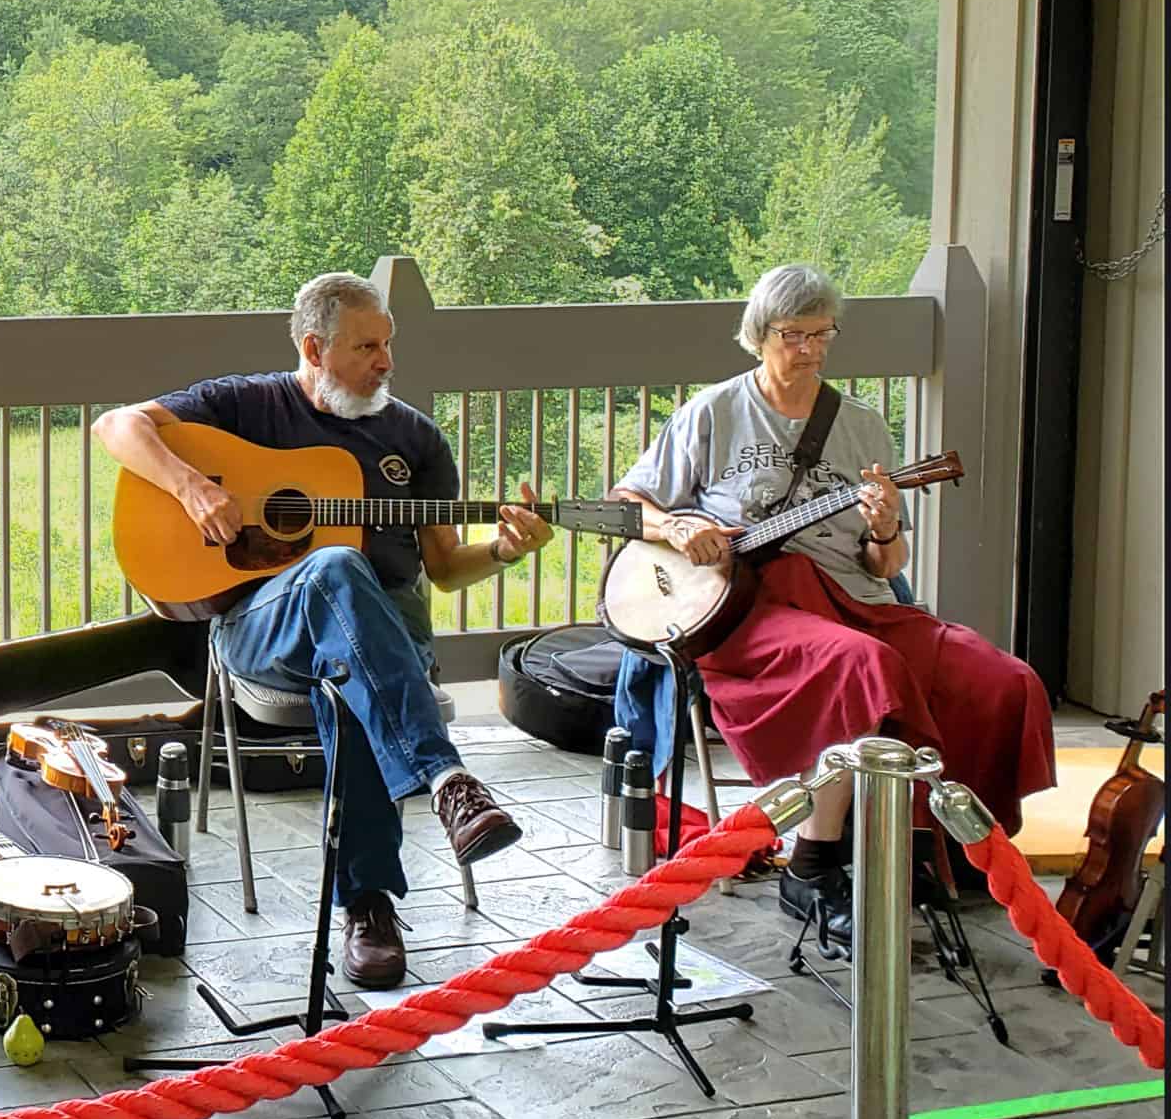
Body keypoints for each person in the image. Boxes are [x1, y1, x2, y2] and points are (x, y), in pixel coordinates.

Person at [93, 272, 550, 989]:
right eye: (367, 346)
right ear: (314, 347)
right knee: (336, 566)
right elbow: (115, 425)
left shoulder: (414, 438)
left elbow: (447, 568)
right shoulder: (246, 405)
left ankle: (367, 906)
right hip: (261, 630)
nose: (386, 362)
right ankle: (444, 777)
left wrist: (503, 549)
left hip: (386, 639)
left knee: (354, 680)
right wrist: (193, 486)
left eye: (388, 345)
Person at [610, 262, 1055, 945]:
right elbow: (628, 501)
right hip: (754, 611)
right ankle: (813, 863)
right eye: (794, 335)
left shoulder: (861, 426)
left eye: (823, 334)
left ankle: (942, 851)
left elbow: (886, 564)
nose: (810, 350)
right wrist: (678, 524)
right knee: (864, 667)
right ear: (759, 335)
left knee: (999, 679)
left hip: (857, 598)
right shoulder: (714, 412)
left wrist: (883, 524)